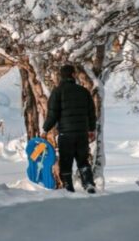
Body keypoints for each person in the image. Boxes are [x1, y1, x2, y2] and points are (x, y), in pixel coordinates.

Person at [41, 64, 96, 194]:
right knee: (83, 160)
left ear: (61, 76)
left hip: (66, 134)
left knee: (66, 161)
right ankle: (88, 183)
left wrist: (45, 130)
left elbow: (52, 114)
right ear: (73, 75)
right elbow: (91, 113)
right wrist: (91, 130)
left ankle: (68, 187)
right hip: (82, 133)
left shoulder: (57, 92)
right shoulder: (83, 91)